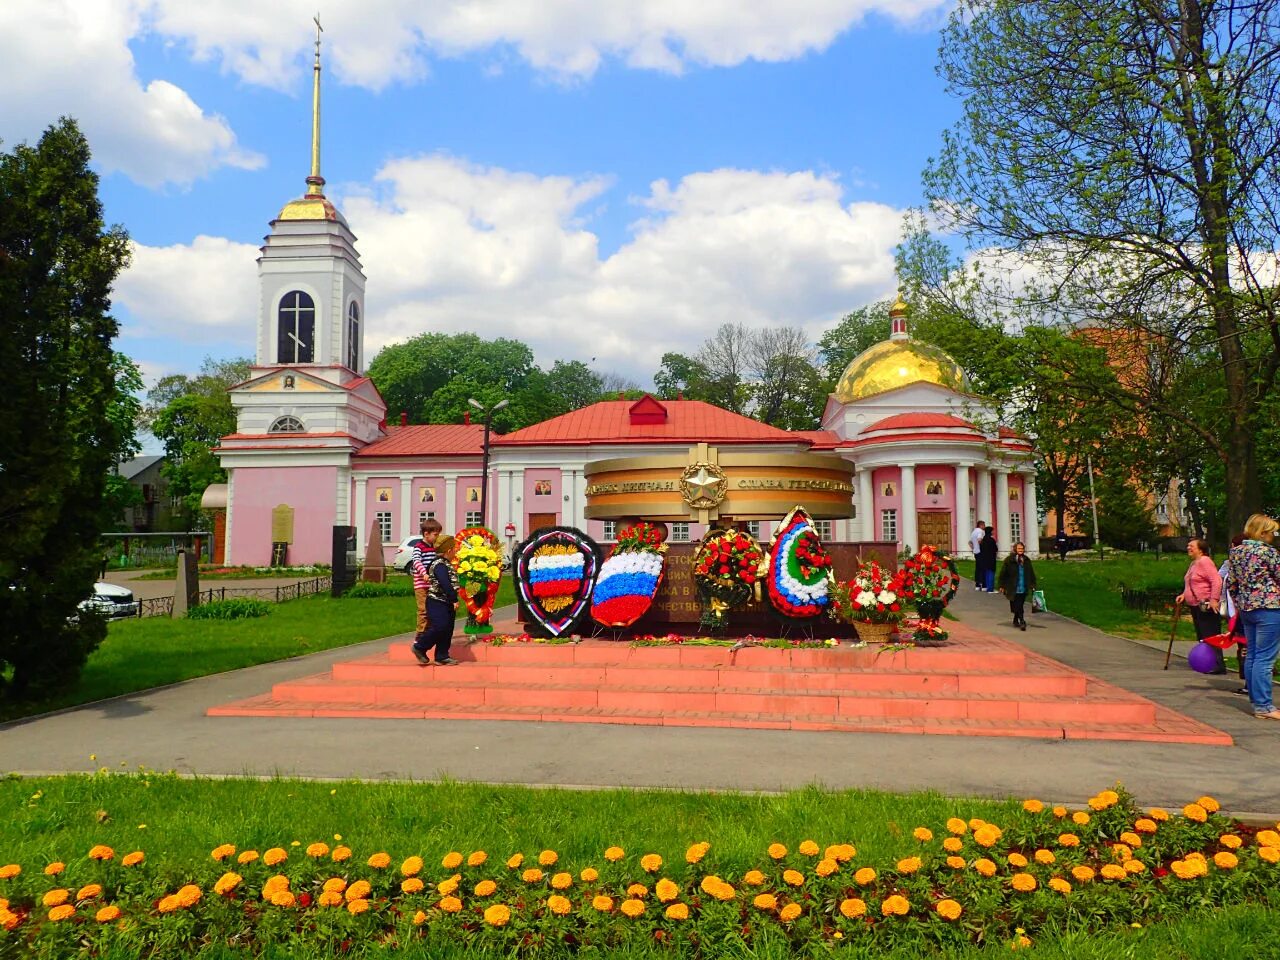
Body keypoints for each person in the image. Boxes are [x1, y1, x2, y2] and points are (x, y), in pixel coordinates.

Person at [1225, 514, 1280, 721]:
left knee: (1253, 655)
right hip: (1270, 607)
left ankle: (1256, 702)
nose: (1274, 536)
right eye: (1272, 532)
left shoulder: (1236, 552)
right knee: (1265, 659)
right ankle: (1264, 706)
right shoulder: (1268, 552)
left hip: (1247, 609)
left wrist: (1240, 601)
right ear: (1263, 532)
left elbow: (1231, 583)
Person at [415, 534, 461, 666]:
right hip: (437, 602)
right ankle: (420, 647)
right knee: (440, 627)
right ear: (448, 551)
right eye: (454, 549)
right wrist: (454, 599)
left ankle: (442, 655)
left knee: (447, 629)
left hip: (446, 602)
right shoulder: (439, 565)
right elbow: (445, 583)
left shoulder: (446, 563)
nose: (456, 551)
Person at [1178, 538, 1223, 641]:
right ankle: (1204, 656)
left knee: (1210, 636)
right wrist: (1184, 595)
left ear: (1200, 549)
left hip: (1205, 604)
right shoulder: (1194, 563)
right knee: (1202, 635)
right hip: (1195, 605)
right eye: (1188, 546)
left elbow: (1216, 581)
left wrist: (1214, 599)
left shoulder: (1205, 561)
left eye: (1192, 546)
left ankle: (1214, 657)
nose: (1188, 548)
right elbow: (1192, 583)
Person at [409, 518, 441, 660]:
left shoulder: (434, 548)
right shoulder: (419, 547)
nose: (437, 537)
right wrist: (424, 574)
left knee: (432, 612)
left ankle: (427, 635)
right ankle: (419, 636)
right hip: (421, 585)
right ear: (426, 534)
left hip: (432, 585)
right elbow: (416, 561)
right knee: (423, 611)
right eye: (435, 534)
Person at [1220, 535, 1248, 696]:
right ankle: (1247, 680)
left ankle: (1249, 683)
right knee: (1243, 645)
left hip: (1244, 611)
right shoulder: (1229, 564)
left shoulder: (1243, 564)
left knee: (1248, 646)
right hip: (1236, 612)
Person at [997, 541, 1037, 630]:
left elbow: (1031, 572)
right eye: (1019, 548)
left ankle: (1016, 619)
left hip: (1023, 585)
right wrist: (1001, 585)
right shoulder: (1010, 560)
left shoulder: (1026, 560)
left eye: (1022, 549)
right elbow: (1003, 573)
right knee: (1018, 604)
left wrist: (1033, 584)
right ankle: (1022, 621)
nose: (1021, 550)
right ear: (1015, 549)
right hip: (1013, 586)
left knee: (1020, 604)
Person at [978, 526, 998, 592]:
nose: (993, 532)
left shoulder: (983, 540)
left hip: (984, 559)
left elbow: (981, 549)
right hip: (991, 559)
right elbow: (995, 549)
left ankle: (987, 587)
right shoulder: (991, 540)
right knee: (991, 573)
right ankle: (990, 589)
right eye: (992, 531)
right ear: (990, 531)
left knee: (987, 573)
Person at [969, 520, 986, 590]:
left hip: (976, 552)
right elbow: (979, 540)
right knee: (982, 568)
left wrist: (974, 548)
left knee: (978, 569)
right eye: (984, 525)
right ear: (981, 525)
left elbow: (970, 542)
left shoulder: (973, 532)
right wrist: (983, 547)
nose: (984, 527)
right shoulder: (980, 531)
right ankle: (983, 584)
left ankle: (977, 585)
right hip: (980, 552)